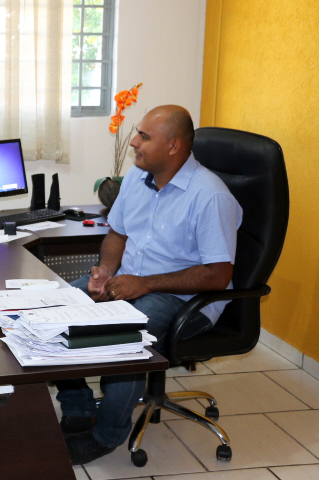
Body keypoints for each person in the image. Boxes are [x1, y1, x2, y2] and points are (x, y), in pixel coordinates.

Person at [57, 105, 243, 464]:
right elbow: (118, 232)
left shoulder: (210, 196)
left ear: (174, 146)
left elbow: (218, 275)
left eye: (144, 136)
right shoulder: (135, 179)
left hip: (189, 298)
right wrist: (106, 271)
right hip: (132, 283)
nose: (135, 142)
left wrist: (143, 284)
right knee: (61, 308)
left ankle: (106, 435)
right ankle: (78, 407)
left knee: (124, 335)